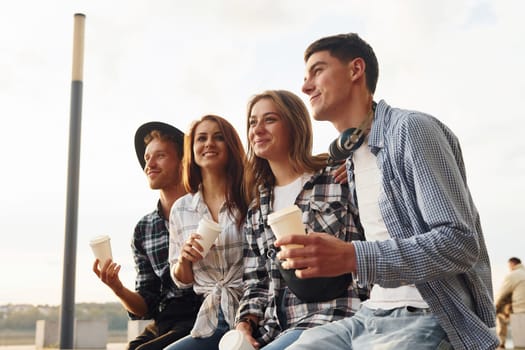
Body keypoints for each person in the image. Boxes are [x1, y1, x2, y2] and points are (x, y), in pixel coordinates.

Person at [279, 33, 498, 349]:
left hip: (428, 314)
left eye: (317, 71)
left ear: (356, 70)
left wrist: (353, 256)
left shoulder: (412, 129)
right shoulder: (355, 156)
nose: (305, 86)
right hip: (370, 313)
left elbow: (459, 243)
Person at [234, 90, 366, 350]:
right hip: (275, 330)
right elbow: (256, 280)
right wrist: (244, 324)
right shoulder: (256, 208)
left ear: (294, 125)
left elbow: (373, 242)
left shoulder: (337, 178)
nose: (258, 129)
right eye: (252, 122)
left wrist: (357, 165)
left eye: (269, 119)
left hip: (331, 318)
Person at [92, 122, 202, 350]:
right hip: (166, 320)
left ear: (183, 163)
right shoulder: (144, 228)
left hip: (205, 313)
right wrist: (117, 287)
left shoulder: (206, 210)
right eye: (146, 157)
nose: (149, 164)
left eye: (159, 156)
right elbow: (145, 306)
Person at [164, 115, 249, 350]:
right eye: (202, 138)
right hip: (212, 317)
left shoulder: (249, 197)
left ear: (230, 146)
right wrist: (184, 259)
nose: (209, 143)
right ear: (192, 150)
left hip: (253, 312)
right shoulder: (181, 209)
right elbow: (182, 280)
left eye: (218, 137)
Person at [495, 257, 525, 348]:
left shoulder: (513, 275)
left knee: (520, 346)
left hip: (520, 312)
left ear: (512, 264)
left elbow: (501, 294)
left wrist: (494, 308)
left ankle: (501, 344)